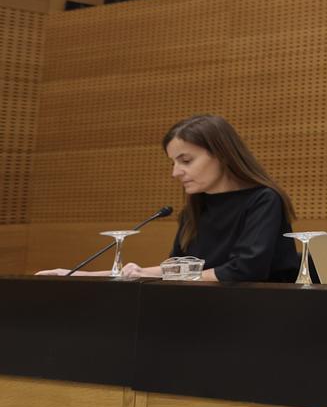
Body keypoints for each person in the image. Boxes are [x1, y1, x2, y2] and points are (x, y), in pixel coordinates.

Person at [38, 114, 302, 282]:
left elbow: (244, 270)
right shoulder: (194, 209)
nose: (176, 173)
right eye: (173, 163)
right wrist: (79, 275)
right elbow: (178, 270)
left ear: (222, 155)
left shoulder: (263, 200)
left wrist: (150, 274)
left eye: (185, 160)